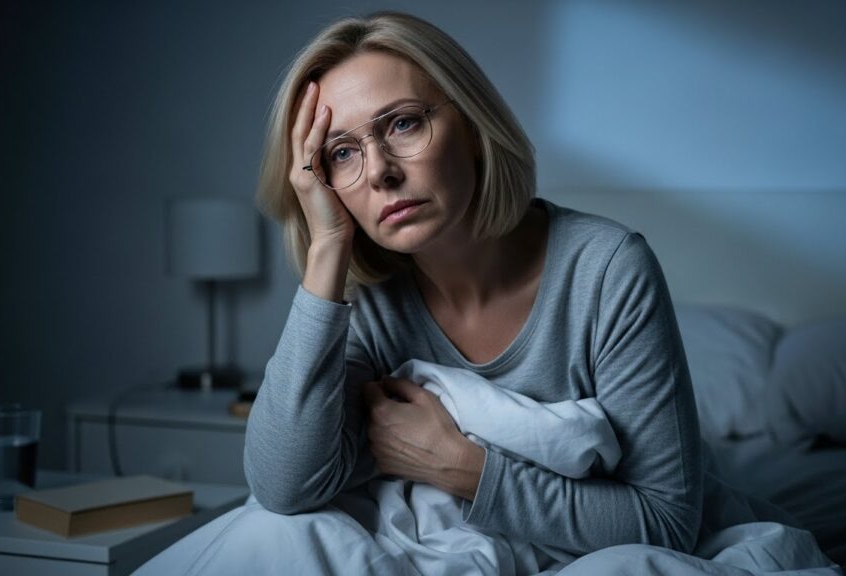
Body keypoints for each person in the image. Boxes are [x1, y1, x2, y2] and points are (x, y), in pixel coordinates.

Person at [246, 10, 704, 557]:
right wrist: (326, 250)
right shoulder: (366, 302)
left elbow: (669, 523)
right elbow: (283, 487)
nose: (379, 172)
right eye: (342, 152)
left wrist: (465, 468)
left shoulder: (605, 270)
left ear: (472, 123)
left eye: (403, 123)